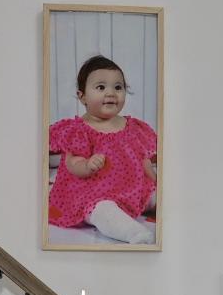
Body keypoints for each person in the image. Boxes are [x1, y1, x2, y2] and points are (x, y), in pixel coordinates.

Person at [47, 56, 158, 244]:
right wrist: (87, 165)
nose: (111, 93)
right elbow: (72, 163)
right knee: (103, 211)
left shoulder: (133, 127)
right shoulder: (78, 130)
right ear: (82, 96)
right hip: (93, 194)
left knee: (158, 196)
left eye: (118, 87)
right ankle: (133, 233)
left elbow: (144, 160)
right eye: (101, 87)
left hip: (134, 190)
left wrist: (157, 181)